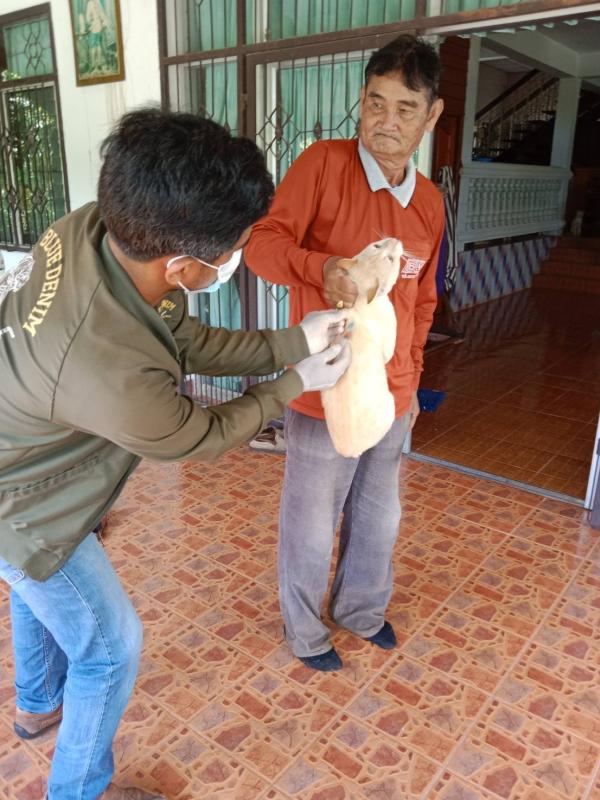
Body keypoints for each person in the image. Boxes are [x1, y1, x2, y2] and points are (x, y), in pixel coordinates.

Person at [0, 109, 350, 800]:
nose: (236, 258)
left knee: (36, 594)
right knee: (110, 648)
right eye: (234, 249)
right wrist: (293, 385)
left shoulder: (97, 229)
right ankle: (78, 791)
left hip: (24, 449)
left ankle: (38, 704)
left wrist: (296, 342)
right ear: (183, 265)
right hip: (23, 510)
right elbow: (203, 435)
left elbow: (182, 338)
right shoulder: (112, 371)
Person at [245, 34, 445, 671]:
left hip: (393, 393)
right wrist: (320, 267)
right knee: (311, 520)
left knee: (379, 515)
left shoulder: (430, 203)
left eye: (405, 109)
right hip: (322, 386)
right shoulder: (322, 165)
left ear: (431, 115)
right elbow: (260, 246)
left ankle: (361, 609)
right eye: (375, 103)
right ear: (361, 100)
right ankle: (305, 631)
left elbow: (423, 301)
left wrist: (412, 382)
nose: (386, 122)